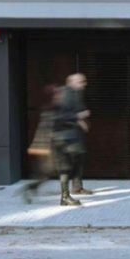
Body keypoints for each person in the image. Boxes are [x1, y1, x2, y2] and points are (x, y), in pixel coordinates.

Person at [51, 72, 91, 203]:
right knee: (66, 167)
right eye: (81, 81)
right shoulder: (65, 95)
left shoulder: (75, 94)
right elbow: (60, 116)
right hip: (64, 138)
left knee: (77, 161)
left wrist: (81, 121)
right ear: (71, 82)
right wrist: (79, 117)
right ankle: (65, 197)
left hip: (73, 136)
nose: (84, 84)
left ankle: (76, 188)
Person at [21, 84, 61, 203]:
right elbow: (46, 131)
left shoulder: (52, 109)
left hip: (48, 146)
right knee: (46, 173)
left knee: (47, 172)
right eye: (57, 93)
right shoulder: (51, 110)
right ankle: (30, 188)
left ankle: (31, 188)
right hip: (46, 147)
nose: (59, 95)